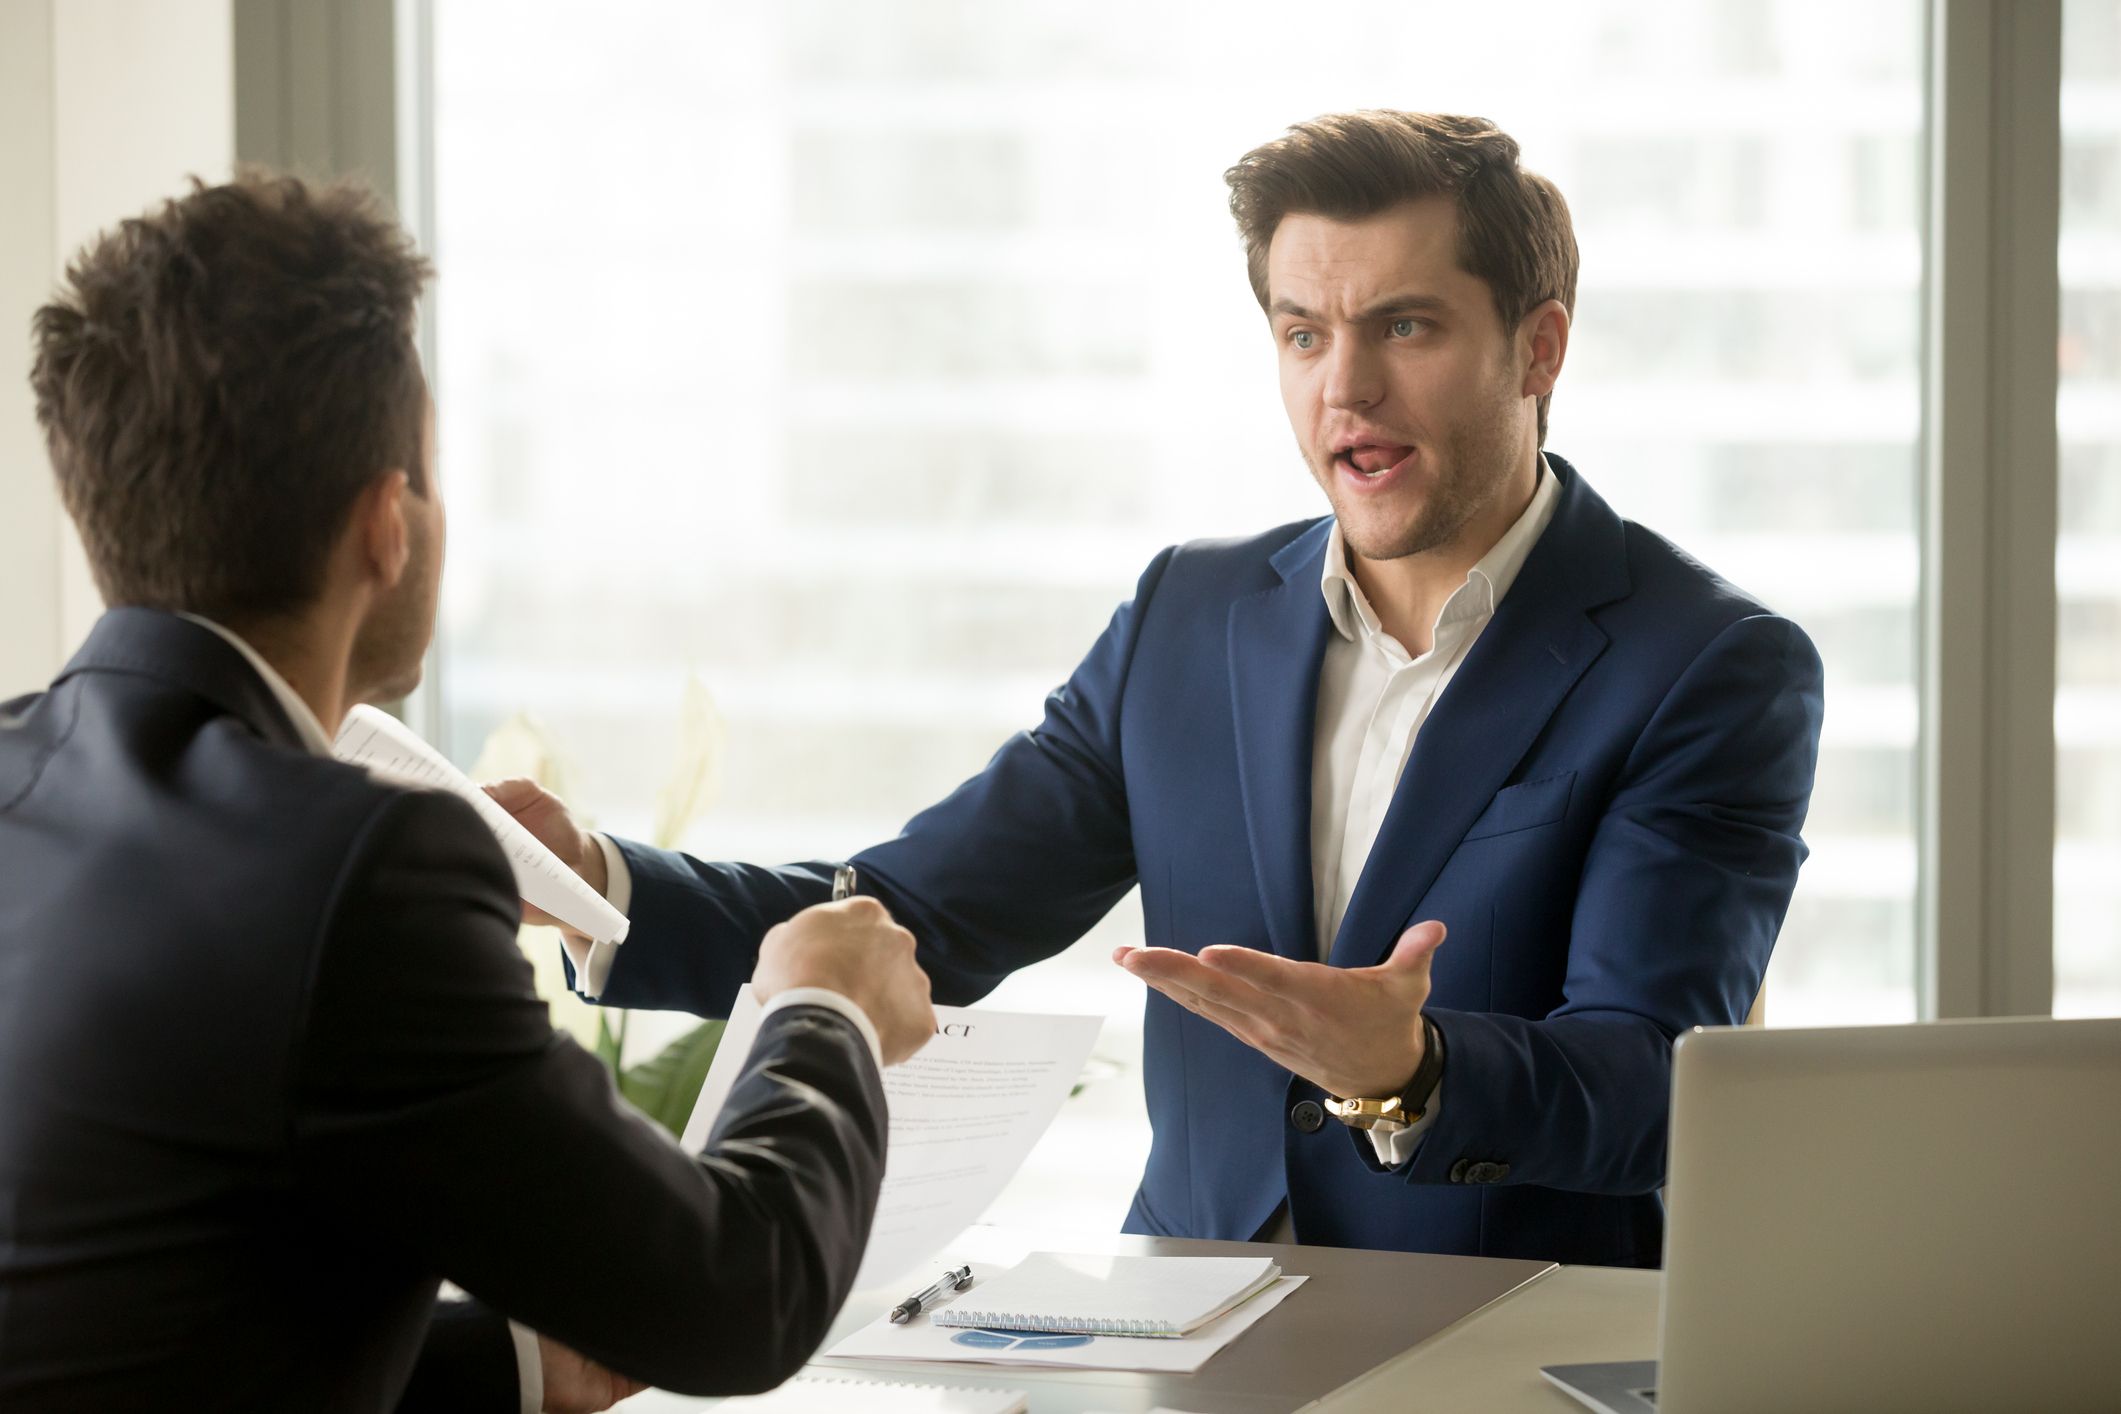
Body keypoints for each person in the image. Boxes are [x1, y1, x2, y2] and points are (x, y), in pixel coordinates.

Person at [501, 111, 1825, 1270]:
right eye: (1302, 332)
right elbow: (906, 918)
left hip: (1495, 1344)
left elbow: (1651, 1080)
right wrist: (595, 884)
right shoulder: (1188, 622)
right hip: (1184, 1328)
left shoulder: (1706, 666)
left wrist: (1412, 1071)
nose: (1343, 387)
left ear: (1538, 347)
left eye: (1404, 326)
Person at [0, 173, 935, 1412]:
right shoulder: (359, 869)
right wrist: (824, 1016)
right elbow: (734, 1296)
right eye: (432, 476)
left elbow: (127, 1310)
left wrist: (513, 1362)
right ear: (387, 523)